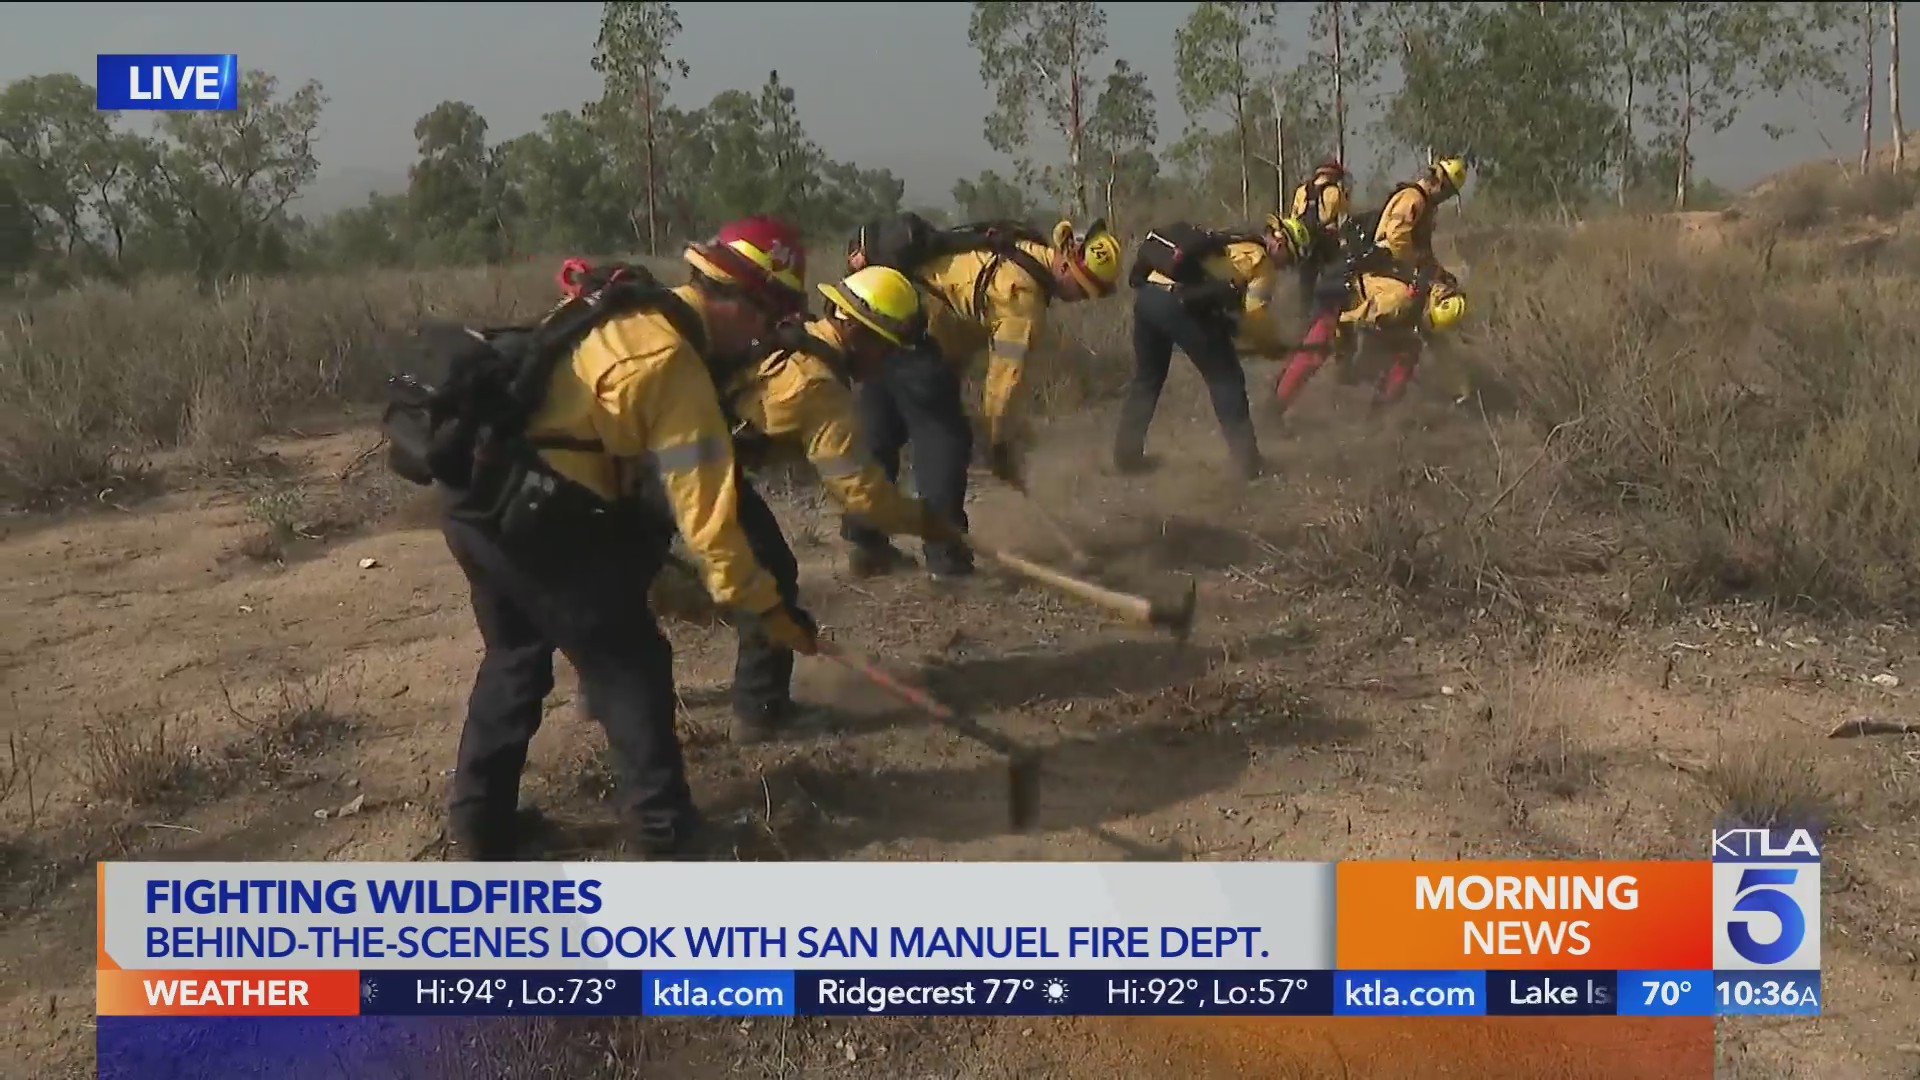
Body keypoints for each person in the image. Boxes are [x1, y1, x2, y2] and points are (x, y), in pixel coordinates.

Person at [435, 216, 819, 862]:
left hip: (476, 503)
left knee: (515, 655)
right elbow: (711, 525)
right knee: (630, 665)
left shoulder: (621, 306)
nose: (762, 338)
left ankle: (482, 822)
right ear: (739, 301)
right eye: (766, 317)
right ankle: (663, 831)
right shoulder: (672, 363)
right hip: (537, 519)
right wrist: (765, 609)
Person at [702, 264, 966, 743]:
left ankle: (607, 684)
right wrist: (930, 523)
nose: (884, 361)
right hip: (690, 469)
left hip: (669, 457)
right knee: (772, 573)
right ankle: (762, 711)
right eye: (882, 345)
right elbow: (863, 496)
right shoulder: (818, 387)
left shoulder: (794, 335)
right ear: (850, 328)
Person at [841, 215, 1123, 579]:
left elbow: (957, 294)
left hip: (878, 326)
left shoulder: (1018, 244)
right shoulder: (1023, 300)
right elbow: (1005, 382)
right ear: (1067, 261)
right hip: (914, 336)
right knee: (943, 443)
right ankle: (947, 561)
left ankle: (866, 544)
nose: (1080, 298)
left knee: (879, 434)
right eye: (1082, 288)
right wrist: (997, 441)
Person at [1113, 216, 1314, 480]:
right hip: (1179, 306)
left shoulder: (1232, 238)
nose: (1285, 266)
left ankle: (1126, 457)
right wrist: (1272, 346)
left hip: (1148, 299)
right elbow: (1255, 315)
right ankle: (1248, 464)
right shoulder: (1261, 262)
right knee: (1226, 378)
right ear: (1280, 244)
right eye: (1289, 259)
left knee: (1147, 379)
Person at [1275, 268, 1468, 413]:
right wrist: (1341, 346)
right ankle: (1276, 406)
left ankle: (1381, 414)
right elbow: (1353, 318)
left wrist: (1460, 389)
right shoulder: (1398, 301)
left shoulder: (1432, 297)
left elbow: (1443, 352)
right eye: (1429, 320)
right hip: (1344, 302)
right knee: (1316, 352)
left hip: (1371, 317)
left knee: (1409, 349)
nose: (1427, 326)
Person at [1288, 159, 1352, 315]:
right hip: (1327, 243)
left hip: (1304, 244)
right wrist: (1345, 243)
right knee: (1332, 282)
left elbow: (1293, 218)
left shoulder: (1301, 191)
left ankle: (1303, 322)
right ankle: (1328, 319)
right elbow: (1345, 220)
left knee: (1305, 286)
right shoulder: (1335, 192)